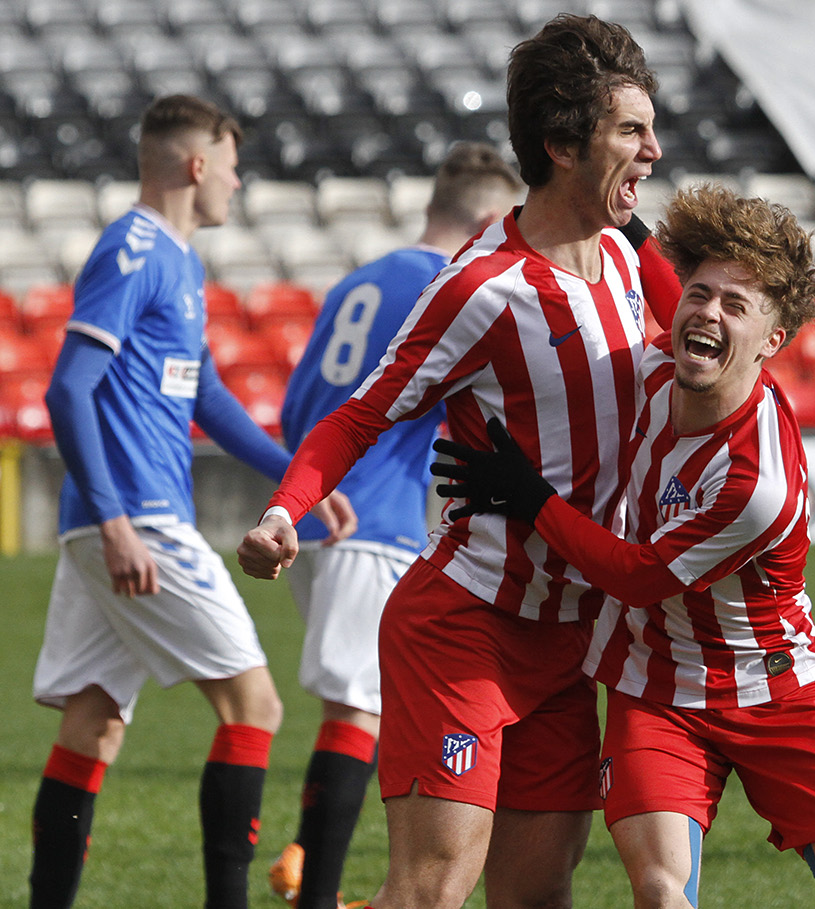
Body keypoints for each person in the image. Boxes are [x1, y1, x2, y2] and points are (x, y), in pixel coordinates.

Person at [235, 15, 680, 909]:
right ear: (560, 144)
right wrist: (286, 507)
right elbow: (357, 416)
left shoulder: (634, 262)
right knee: (434, 888)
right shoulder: (483, 289)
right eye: (630, 130)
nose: (655, 150)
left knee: (536, 897)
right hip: (465, 626)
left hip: (570, 634)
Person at [431, 184, 815, 908]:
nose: (709, 313)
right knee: (658, 889)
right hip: (654, 690)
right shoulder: (651, 370)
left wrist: (530, 498)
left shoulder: (755, 481)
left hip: (776, 688)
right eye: (700, 295)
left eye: (736, 306)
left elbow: (639, 577)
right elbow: (666, 287)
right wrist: (620, 211)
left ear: (773, 343)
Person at [28, 94, 354, 909]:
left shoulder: (180, 259)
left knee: (93, 722)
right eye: (233, 166)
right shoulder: (133, 249)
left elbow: (207, 396)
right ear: (198, 164)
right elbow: (68, 389)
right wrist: (114, 521)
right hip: (133, 517)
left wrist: (298, 483)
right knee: (256, 704)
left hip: (114, 519)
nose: (239, 184)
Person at [263, 143, 524, 909]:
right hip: (370, 521)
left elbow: (293, 408)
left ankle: (310, 865)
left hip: (317, 518)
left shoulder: (357, 279)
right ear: (486, 218)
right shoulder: (445, 288)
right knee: (358, 705)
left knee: (356, 700)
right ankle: (311, 882)